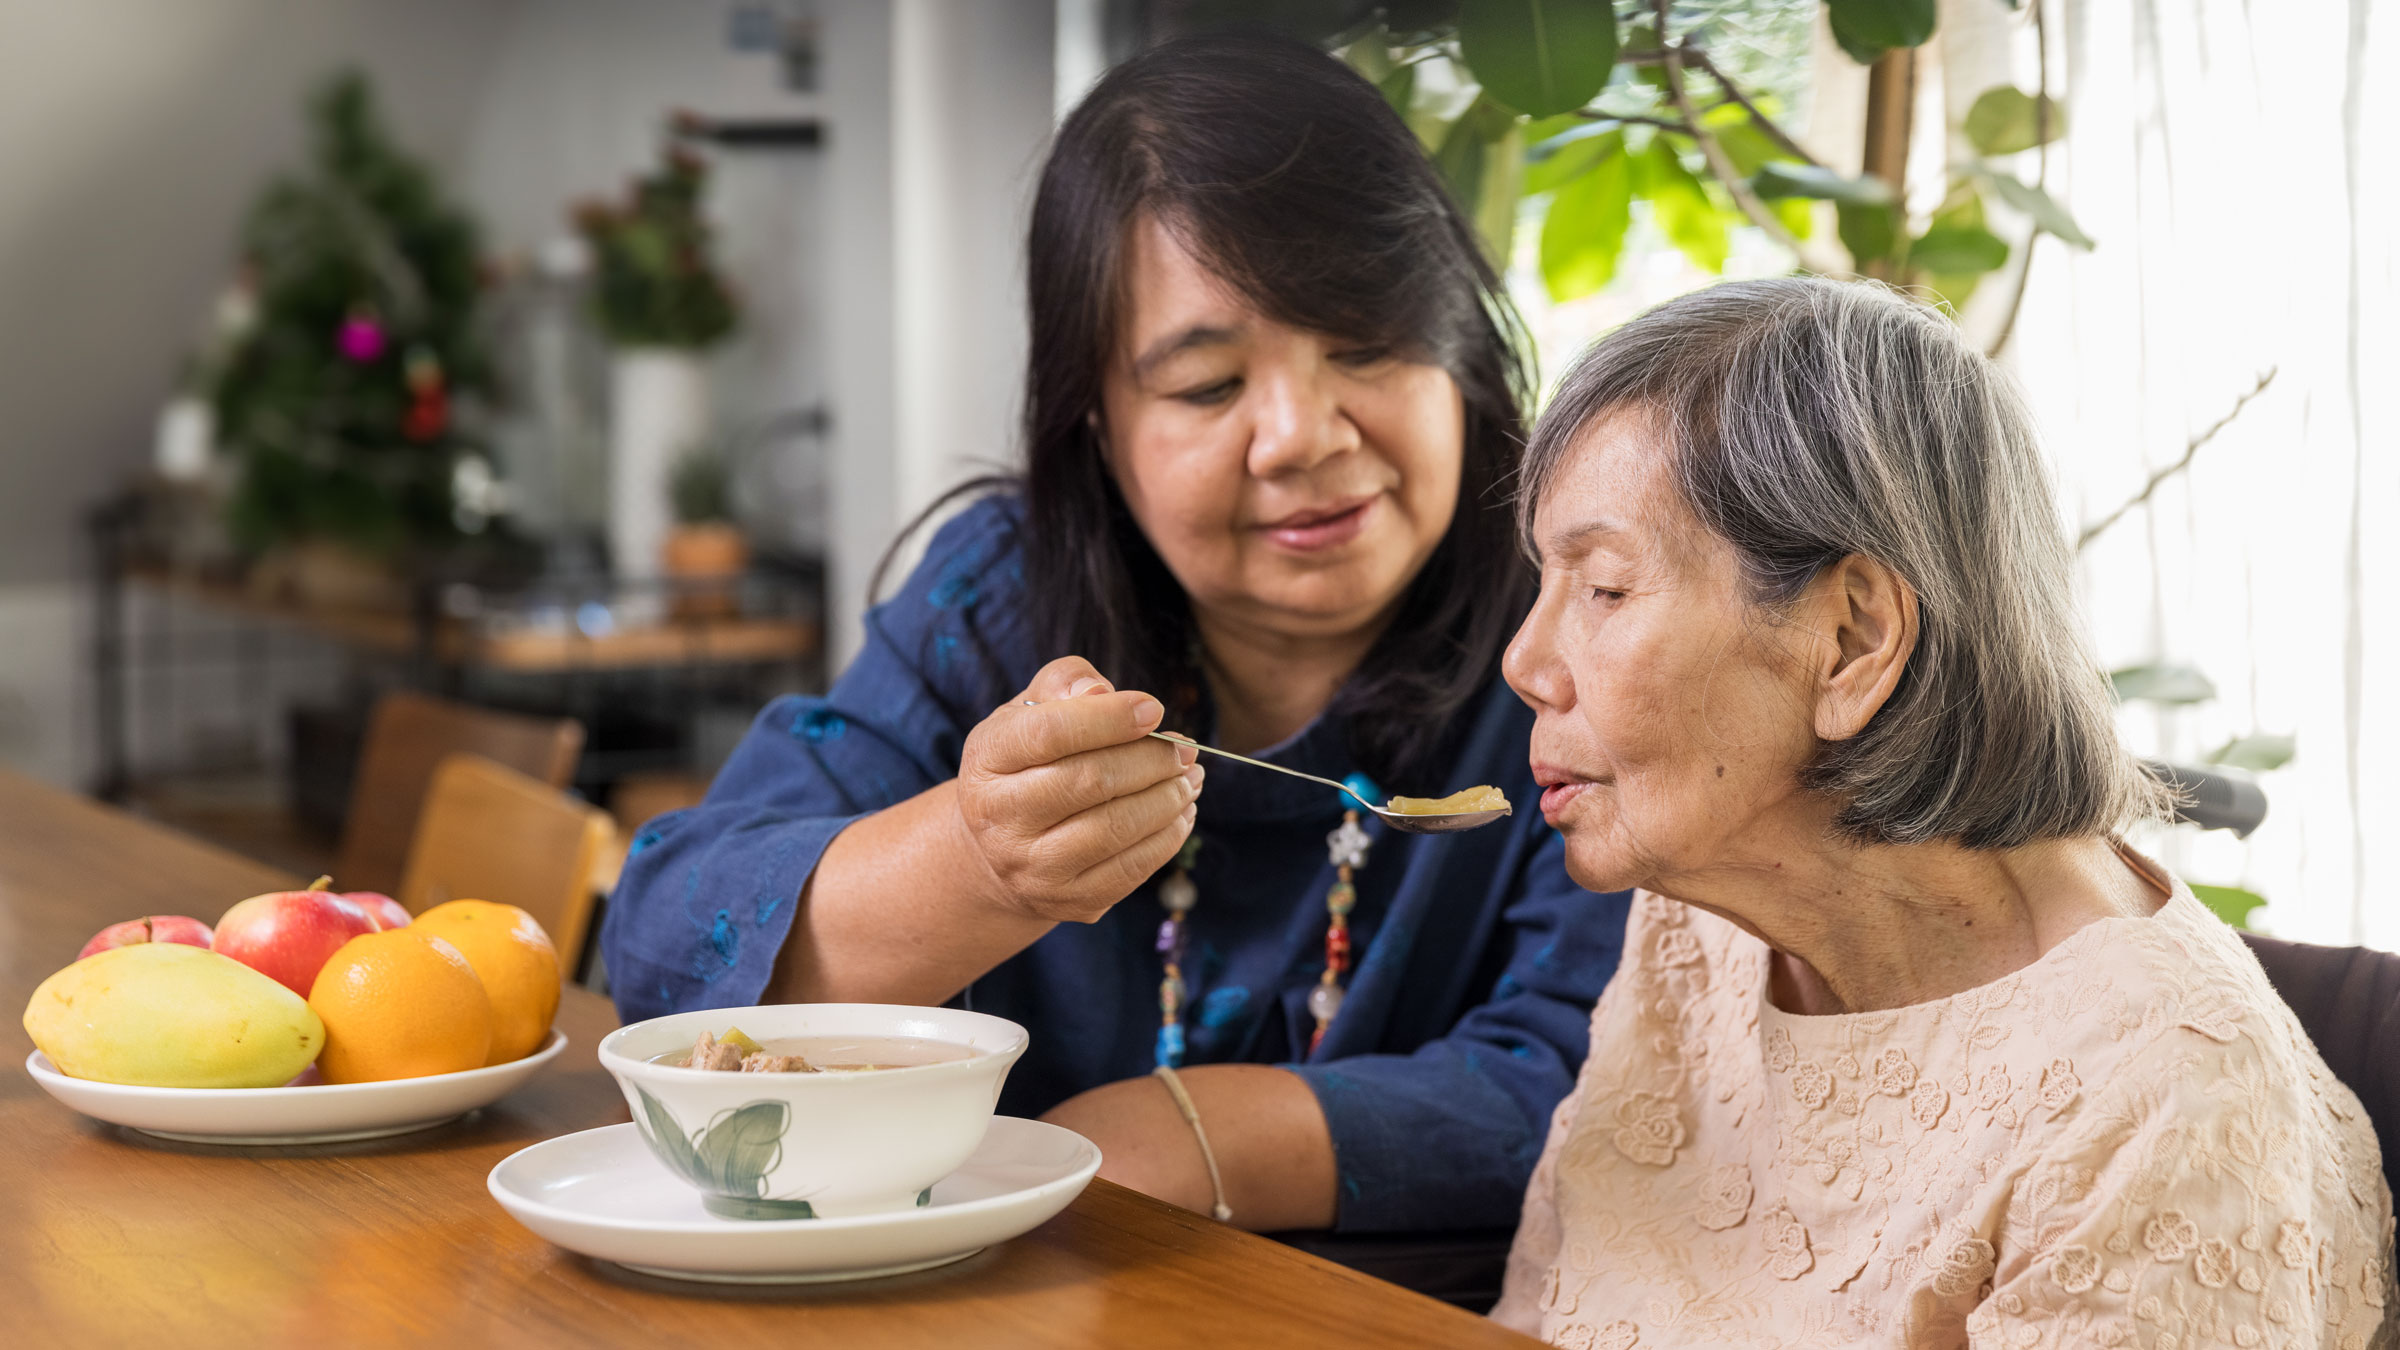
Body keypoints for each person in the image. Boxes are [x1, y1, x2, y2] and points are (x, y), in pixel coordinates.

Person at [601, 34, 1630, 1237]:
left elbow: (1601, 1072)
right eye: (1206, 387)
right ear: (1095, 422)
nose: (1300, 434)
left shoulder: (1585, 634)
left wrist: (1178, 1138)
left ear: (1460, 347)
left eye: (1366, 343)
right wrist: (977, 862)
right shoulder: (1000, 598)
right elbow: (670, 950)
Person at [1492, 278, 2393, 1347]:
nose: (1525, 662)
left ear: (1853, 640)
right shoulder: (1703, 930)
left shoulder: (2162, 1105)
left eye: (1601, 589)